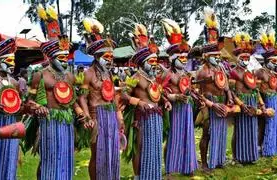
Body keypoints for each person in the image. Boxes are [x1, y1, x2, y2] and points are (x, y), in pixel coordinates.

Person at [28, 5, 86, 179]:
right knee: (48, 157)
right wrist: (38, 106)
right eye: (60, 56)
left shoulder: (69, 76)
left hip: (67, 119)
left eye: (65, 56)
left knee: (65, 156)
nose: (64, 59)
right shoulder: (40, 75)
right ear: (51, 56)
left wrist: (79, 111)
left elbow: (73, 100)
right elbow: (28, 101)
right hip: (48, 120)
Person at [121, 23, 171, 180]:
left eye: (156, 61)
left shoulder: (153, 78)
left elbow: (156, 93)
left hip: (156, 115)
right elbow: (123, 94)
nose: (155, 64)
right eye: (152, 62)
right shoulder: (135, 78)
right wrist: (139, 103)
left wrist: (165, 101)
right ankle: (138, 177)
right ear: (143, 62)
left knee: (154, 146)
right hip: (142, 117)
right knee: (140, 147)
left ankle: (152, 175)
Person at [78, 17, 124, 180]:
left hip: (111, 115)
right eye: (107, 56)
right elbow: (82, 97)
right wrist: (88, 117)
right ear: (97, 56)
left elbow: (112, 95)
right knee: (97, 154)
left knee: (112, 151)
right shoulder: (88, 73)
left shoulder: (109, 73)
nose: (110, 59)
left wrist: (119, 115)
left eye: (111, 56)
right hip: (97, 116)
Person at [159, 18, 198, 176]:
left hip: (186, 107)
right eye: (181, 58)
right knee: (173, 137)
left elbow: (189, 88)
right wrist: (174, 97)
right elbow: (160, 91)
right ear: (172, 59)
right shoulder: (167, 74)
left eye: (185, 57)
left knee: (187, 136)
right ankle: (170, 168)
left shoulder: (186, 73)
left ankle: (186, 166)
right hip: (174, 109)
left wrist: (193, 94)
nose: (184, 60)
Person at [195, 8, 233, 170]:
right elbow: (197, 91)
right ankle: (204, 162)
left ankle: (218, 160)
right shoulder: (202, 70)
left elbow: (225, 85)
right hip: (208, 105)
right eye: (214, 56)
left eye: (218, 56)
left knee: (221, 134)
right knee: (207, 133)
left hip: (222, 103)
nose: (217, 58)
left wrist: (229, 96)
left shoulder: (221, 69)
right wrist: (210, 105)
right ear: (206, 56)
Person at [230, 33, 267, 164]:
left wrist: (261, 104)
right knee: (239, 130)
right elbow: (231, 92)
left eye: (247, 57)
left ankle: (250, 156)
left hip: (251, 101)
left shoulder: (250, 71)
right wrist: (240, 104)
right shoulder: (233, 72)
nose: (246, 59)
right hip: (241, 102)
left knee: (251, 129)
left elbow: (255, 89)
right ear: (238, 58)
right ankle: (236, 157)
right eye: (243, 57)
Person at [0, 37, 22, 180]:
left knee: (9, 160)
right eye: (9, 61)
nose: (13, 64)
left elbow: (19, 106)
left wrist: (27, 108)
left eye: (14, 61)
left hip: (11, 123)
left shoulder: (14, 82)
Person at [255, 32, 277, 157]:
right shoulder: (260, 72)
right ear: (267, 60)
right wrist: (262, 103)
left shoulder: (273, 73)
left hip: (274, 100)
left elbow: (275, 86)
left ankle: (272, 147)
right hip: (265, 101)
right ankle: (260, 147)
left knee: (274, 124)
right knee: (263, 125)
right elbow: (257, 88)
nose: (275, 63)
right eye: (273, 61)